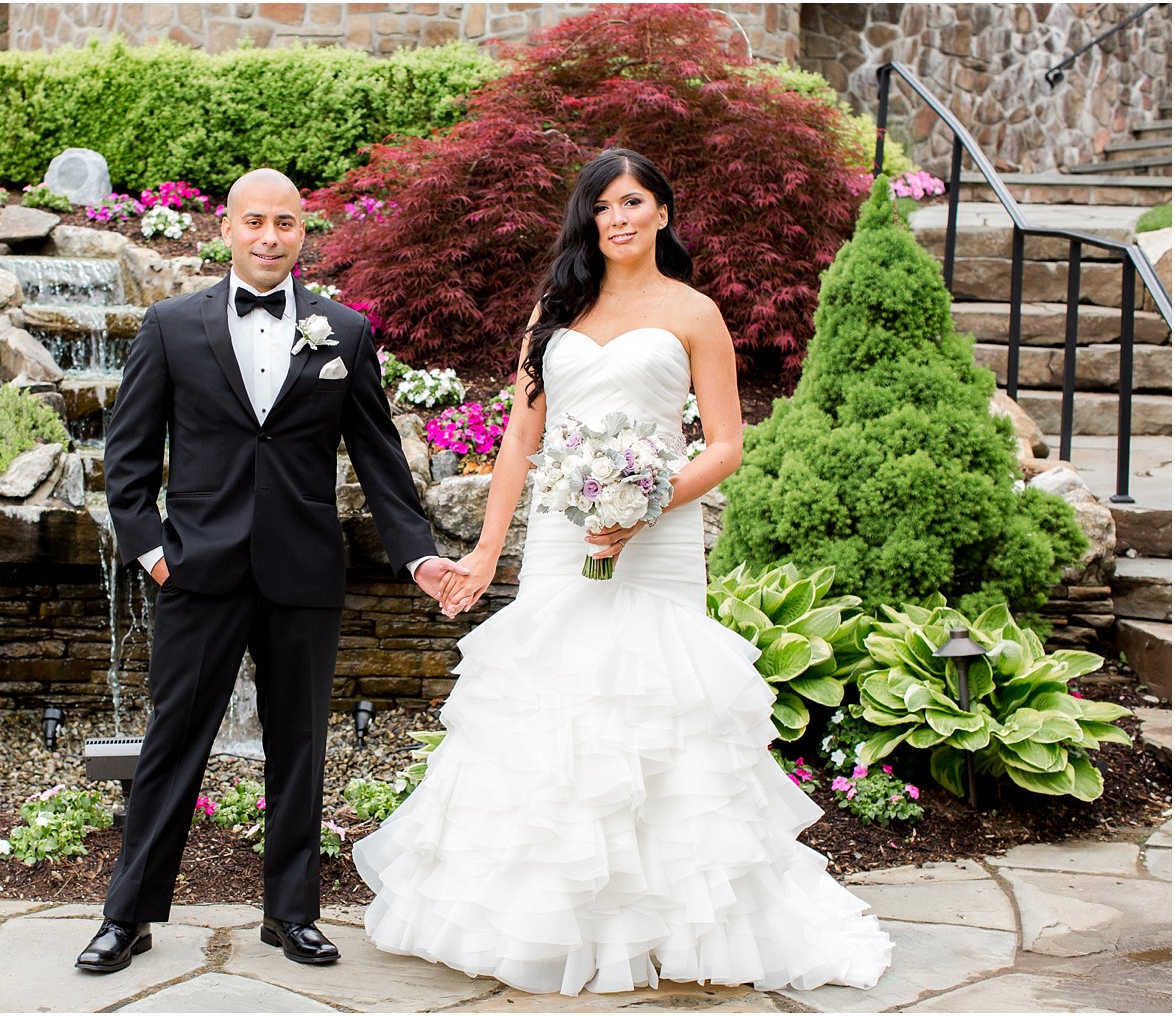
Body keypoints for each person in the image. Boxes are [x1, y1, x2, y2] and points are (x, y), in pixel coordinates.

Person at [352, 149, 894, 996]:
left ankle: (674, 927)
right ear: (588, 220)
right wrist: (487, 551)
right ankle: (550, 923)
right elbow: (520, 444)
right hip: (566, 539)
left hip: (660, 539)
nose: (619, 217)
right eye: (602, 205)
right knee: (555, 705)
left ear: (663, 213)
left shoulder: (694, 311)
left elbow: (724, 444)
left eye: (634, 201)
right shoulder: (555, 312)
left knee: (660, 708)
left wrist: (644, 506)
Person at [81, 168, 465, 973]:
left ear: (302, 232)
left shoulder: (345, 333)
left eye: (285, 223)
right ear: (226, 228)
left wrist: (419, 551)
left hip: (302, 575)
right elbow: (127, 459)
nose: (269, 236)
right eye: (254, 221)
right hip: (195, 573)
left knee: (300, 748)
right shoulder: (170, 326)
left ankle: (290, 914)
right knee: (171, 745)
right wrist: (154, 556)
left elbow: (380, 457)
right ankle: (128, 915)